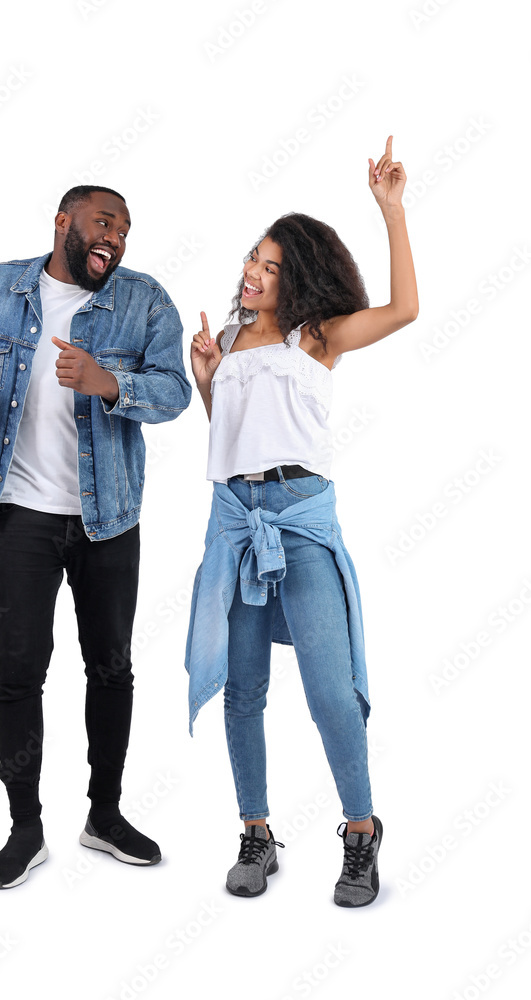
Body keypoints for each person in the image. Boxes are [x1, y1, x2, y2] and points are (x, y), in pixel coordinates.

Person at [0, 185, 191, 888]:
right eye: (105, 222)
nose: (117, 237)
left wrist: (110, 383)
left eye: (126, 230)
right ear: (63, 222)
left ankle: (103, 816)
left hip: (109, 519)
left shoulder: (144, 300)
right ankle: (25, 826)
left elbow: (174, 391)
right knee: (18, 672)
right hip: (21, 514)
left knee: (111, 667)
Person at [186, 136, 418, 906]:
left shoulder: (315, 336)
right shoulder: (225, 342)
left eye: (271, 266)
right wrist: (206, 383)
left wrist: (390, 211)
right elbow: (231, 439)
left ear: (299, 279)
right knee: (241, 688)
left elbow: (405, 310)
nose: (252, 273)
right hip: (235, 522)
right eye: (252, 258)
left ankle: (360, 833)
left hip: (300, 523)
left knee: (330, 690)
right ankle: (255, 831)